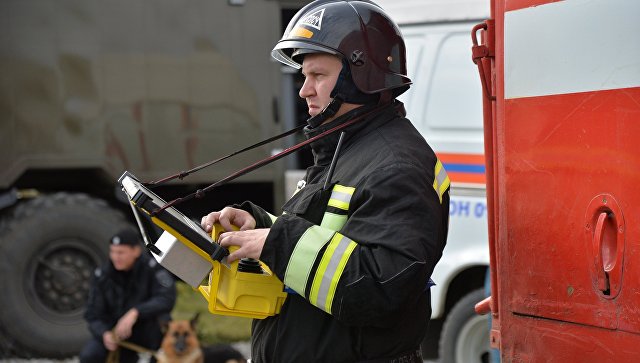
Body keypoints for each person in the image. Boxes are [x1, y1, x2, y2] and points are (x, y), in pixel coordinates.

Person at [201, 1, 450, 362]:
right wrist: (260, 226)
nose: (304, 90)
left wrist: (277, 242)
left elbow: (381, 288)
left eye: (317, 75)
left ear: (359, 76)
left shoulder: (395, 166)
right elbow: (327, 237)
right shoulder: (345, 147)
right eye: (304, 76)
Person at [79, 227, 177, 363]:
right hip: (115, 332)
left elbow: (167, 298)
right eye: (113, 252)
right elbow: (92, 315)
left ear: (136, 251)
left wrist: (136, 312)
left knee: (164, 325)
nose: (115, 257)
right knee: (90, 356)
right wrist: (104, 334)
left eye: (121, 252)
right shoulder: (102, 275)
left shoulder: (152, 269)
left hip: (146, 329)